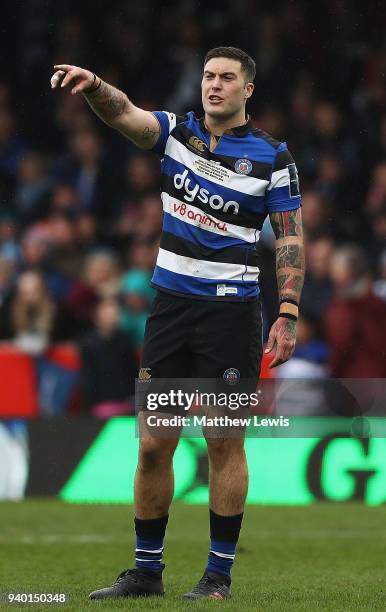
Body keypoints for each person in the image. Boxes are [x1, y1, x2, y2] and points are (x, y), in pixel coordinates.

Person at [51, 46, 305, 601]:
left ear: (247, 90)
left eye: (227, 79)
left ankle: (217, 577)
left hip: (232, 315)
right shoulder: (175, 132)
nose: (214, 86)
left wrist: (286, 312)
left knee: (222, 442)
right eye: (209, 76)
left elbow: (288, 238)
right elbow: (124, 113)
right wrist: (94, 82)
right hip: (170, 309)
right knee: (151, 445)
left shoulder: (271, 156)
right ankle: (146, 572)